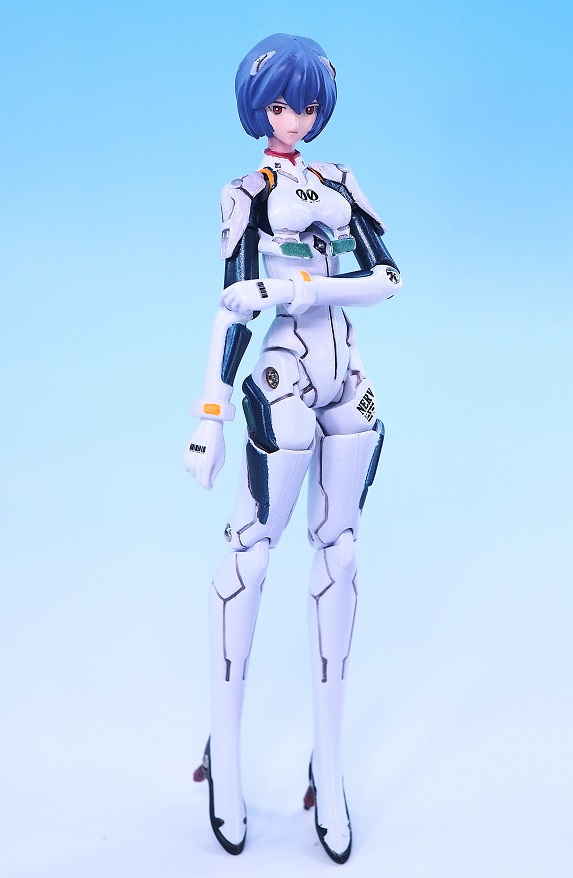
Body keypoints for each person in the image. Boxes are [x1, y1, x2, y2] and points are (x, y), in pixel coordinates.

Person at [184, 33, 401, 864]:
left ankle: (328, 767)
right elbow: (232, 306)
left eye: (306, 105)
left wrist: (298, 285)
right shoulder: (246, 192)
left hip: (348, 369)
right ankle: (226, 759)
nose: (295, 118)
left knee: (339, 552)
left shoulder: (339, 181)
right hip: (285, 368)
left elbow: (387, 279)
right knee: (252, 550)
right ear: (258, 107)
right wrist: (209, 416)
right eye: (281, 104)